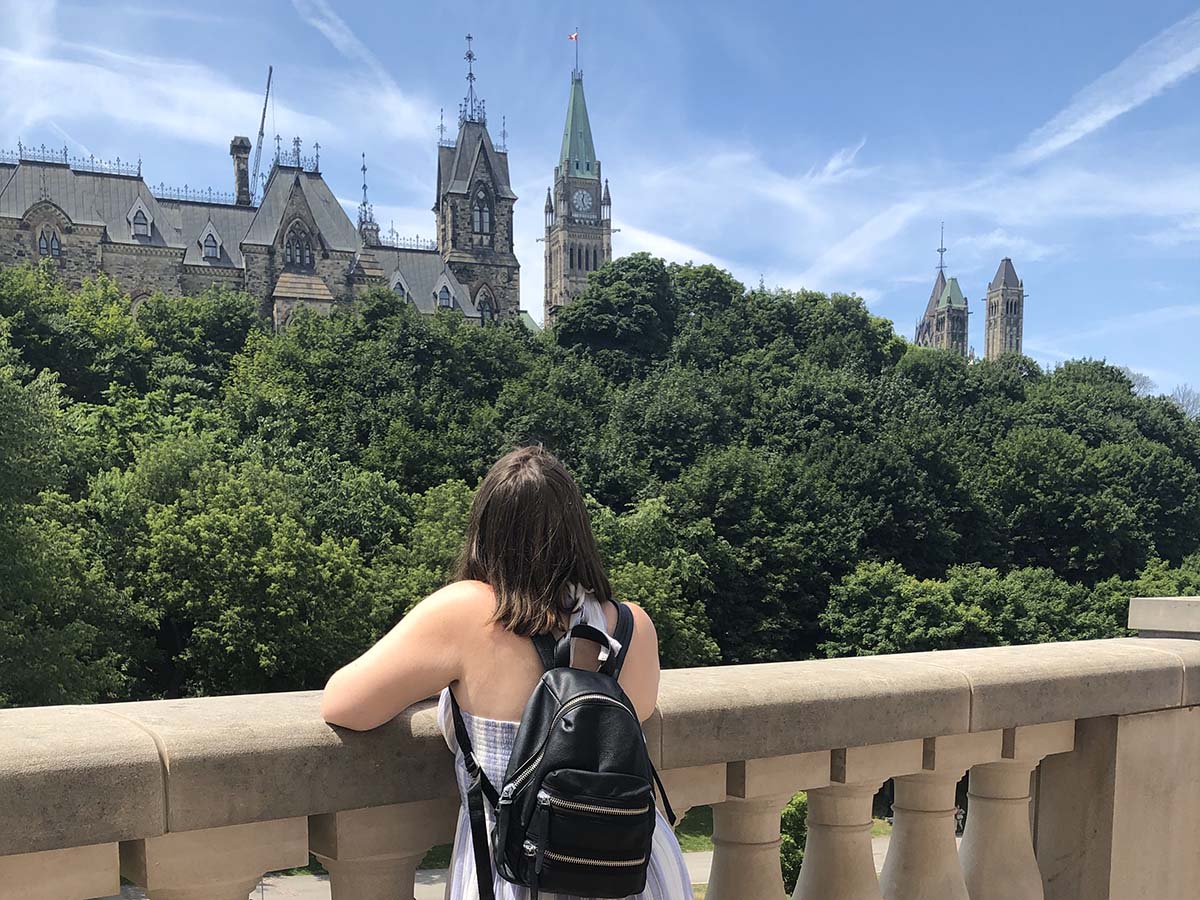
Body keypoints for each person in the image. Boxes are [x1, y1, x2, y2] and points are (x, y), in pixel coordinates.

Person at [321, 446, 692, 900]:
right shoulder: (633, 627)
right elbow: (642, 707)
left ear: (486, 530)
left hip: (521, 873)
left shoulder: (467, 612)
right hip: (633, 871)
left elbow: (343, 705)